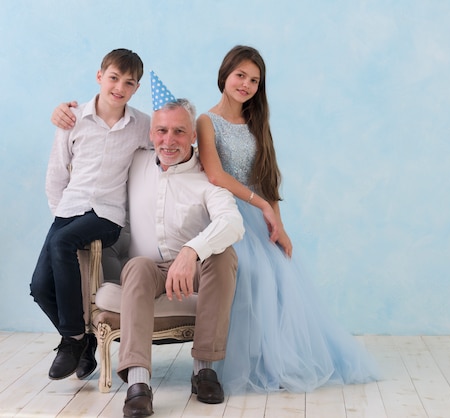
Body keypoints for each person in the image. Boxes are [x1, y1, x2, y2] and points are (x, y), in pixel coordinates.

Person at [51, 45, 379, 394]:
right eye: (240, 75)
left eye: (254, 79)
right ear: (225, 75)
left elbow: (265, 180)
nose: (246, 84)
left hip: (246, 217)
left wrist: (275, 220)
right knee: (232, 275)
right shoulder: (194, 129)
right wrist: (70, 112)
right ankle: (138, 378)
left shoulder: (243, 138)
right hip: (221, 219)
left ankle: (245, 364)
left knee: (266, 281)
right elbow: (212, 172)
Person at [119, 96, 244, 417]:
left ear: (193, 136)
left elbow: (232, 223)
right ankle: (138, 383)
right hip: (150, 270)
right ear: (151, 133)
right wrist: (67, 115)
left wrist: (191, 251)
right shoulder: (134, 163)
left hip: (194, 267)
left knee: (223, 256)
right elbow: (99, 140)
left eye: (179, 131)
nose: (169, 140)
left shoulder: (208, 178)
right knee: (136, 267)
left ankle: (204, 369)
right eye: (161, 131)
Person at [32, 48, 150, 382]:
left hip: (108, 215)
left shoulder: (141, 124)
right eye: (114, 78)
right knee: (40, 286)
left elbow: (167, 144)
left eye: (129, 83)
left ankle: (70, 339)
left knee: (64, 243)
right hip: (69, 210)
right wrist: (62, 216)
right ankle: (87, 344)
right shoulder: (73, 118)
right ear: (100, 77)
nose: (119, 87)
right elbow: (56, 176)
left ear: (136, 88)